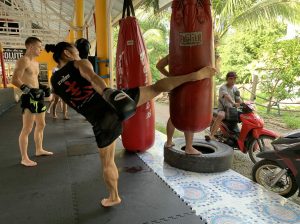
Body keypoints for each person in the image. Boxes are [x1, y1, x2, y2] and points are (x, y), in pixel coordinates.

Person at [45, 41, 215, 207]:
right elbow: (92, 77)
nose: (77, 53)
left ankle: (114, 197)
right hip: (112, 101)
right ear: (66, 53)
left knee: (107, 163)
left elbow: (70, 101)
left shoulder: (54, 81)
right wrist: (107, 92)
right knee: (155, 88)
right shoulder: (79, 62)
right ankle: (194, 76)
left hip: (100, 121)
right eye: (74, 50)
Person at [12, 36, 53, 167]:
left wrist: (42, 87)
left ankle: (39, 149)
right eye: (39, 47)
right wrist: (27, 90)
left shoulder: (35, 63)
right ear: (30, 46)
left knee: (41, 124)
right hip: (29, 97)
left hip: (38, 96)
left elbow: (34, 80)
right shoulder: (23, 61)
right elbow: (15, 80)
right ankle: (24, 158)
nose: (41, 50)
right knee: (27, 128)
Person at [156, 55, 202, 155]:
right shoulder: (192, 50)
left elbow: (159, 65)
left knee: (174, 115)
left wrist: (170, 77)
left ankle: (169, 141)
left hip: (175, 86)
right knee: (189, 115)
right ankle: (189, 147)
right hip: (189, 87)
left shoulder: (174, 51)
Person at [206, 71, 241, 140]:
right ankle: (211, 135)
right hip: (223, 109)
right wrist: (233, 103)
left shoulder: (235, 89)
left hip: (232, 110)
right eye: (231, 78)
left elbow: (238, 100)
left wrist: (242, 104)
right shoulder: (223, 87)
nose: (233, 80)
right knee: (221, 115)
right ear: (227, 79)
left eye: (234, 79)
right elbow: (226, 96)